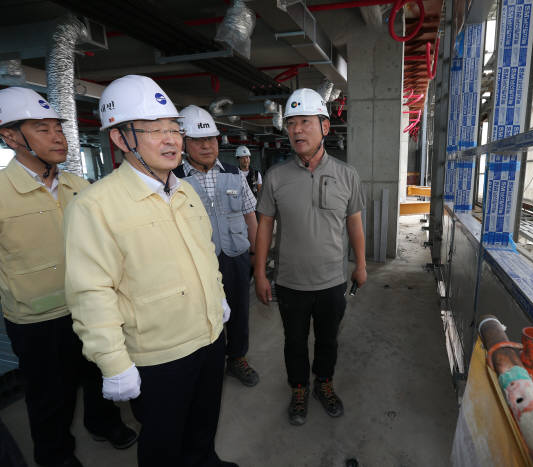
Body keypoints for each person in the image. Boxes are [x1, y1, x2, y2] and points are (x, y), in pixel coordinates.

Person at [63, 75, 238, 467]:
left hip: (210, 338)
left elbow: (205, 255)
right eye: (155, 130)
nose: (172, 139)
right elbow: (90, 293)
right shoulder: (95, 207)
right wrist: (113, 363)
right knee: (163, 442)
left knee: (203, 425)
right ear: (121, 138)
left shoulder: (186, 190)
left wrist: (219, 298)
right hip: (159, 356)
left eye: (174, 129)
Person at [0, 87, 135, 467]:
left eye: (57, 128)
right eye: (42, 129)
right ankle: (55, 454)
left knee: (97, 374)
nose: (58, 136)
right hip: (37, 320)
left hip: (89, 308)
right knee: (48, 396)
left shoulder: (79, 186)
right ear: (10, 137)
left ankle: (102, 422)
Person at [254, 88, 366, 426]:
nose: (297, 130)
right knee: (294, 342)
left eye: (305, 122)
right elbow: (263, 229)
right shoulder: (275, 178)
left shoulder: (347, 175)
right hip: (290, 282)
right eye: (291, 123)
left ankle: (324, 384)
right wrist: (260, 273)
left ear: (325, 127)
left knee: (329, 340)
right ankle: (299, 388)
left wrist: (360, 265)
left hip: (332, 280)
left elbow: (355, 225)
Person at [174, 105, 260, 387]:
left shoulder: (235, 174)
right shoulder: (174, 179)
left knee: (238, 310)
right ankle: (209, 364)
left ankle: (237, 358)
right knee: (202, 315)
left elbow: (250, 214)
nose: (207, 145)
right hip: (197, 264)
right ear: (184, 143)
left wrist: (257, 257)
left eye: (211, 139)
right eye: (198, 140)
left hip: (235, 257)